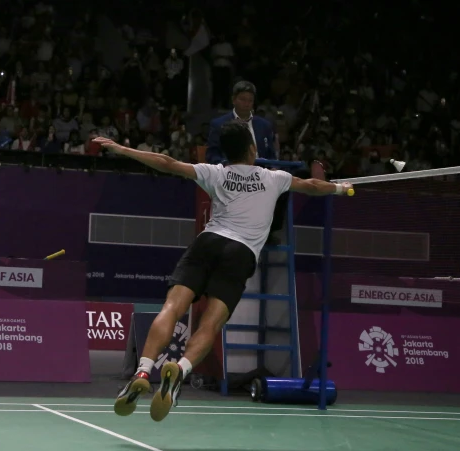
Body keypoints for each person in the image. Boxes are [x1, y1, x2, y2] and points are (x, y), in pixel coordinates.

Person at [93, 121, 353, 422]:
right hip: (240, 253)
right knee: (211, 323)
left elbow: (167, 163)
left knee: (172, 307)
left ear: (226, 152)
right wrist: (340, 188)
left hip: (208, 243)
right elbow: (312, 186)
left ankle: (142, 371)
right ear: (253, 149)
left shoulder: (215, 172)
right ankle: (180, 370)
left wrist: (121, 148)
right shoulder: (275, 178)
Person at [206, 81, 287, 244]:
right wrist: (226, 165)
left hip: (259, 174)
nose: (246, 103)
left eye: (250, 100)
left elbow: (271, 155)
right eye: (242, 99)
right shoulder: (219, 124)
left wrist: (273, 167)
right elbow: (211, 155)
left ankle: (268, 231)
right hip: (231, 174)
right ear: (234, 100)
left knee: (284, 186)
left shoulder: (264, 126)